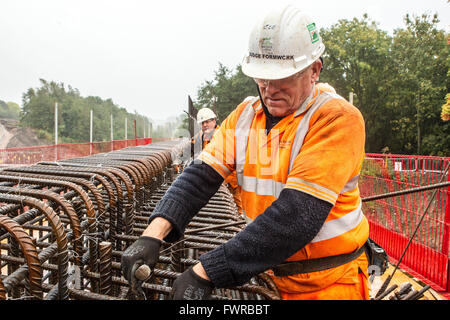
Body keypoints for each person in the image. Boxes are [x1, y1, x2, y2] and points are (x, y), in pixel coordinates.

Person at [121, 5, 369, 300]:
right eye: (262, 78)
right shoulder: (245, 116)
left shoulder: (336, 118)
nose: (269, 89)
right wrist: (155, 232)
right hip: (268, 276)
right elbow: (199, 178)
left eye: (281, 79)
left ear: (314, 70)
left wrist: (207, 271)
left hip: (328, 284)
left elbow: (296, 216)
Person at [192, 107, 243, 215]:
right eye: (202, 123)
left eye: (207, 121)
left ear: (214, 120)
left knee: (241, 211)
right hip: (218, 180)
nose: (205, 125)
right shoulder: (202, 137)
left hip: (233, 181)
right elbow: (190, 145)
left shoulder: (223, 134)